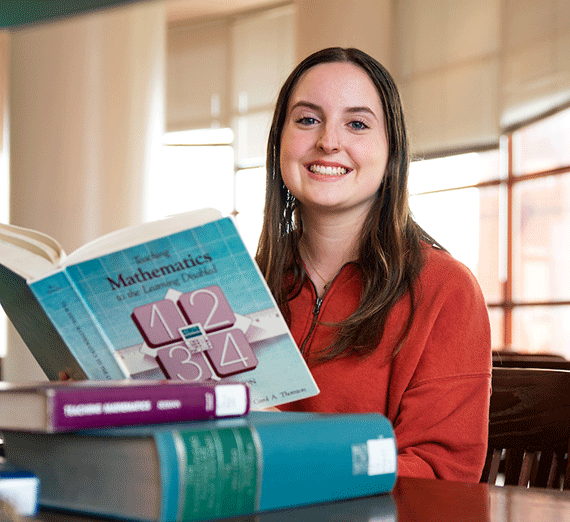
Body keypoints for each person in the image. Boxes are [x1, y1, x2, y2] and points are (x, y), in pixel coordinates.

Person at [255, 47, 491, 483]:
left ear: (391, 152)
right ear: (279, 143)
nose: (328, 141)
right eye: (307, 119)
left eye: (357, 124)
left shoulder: (446, 289)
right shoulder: (246, 282)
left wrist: (293, 454)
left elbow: (441, 473)